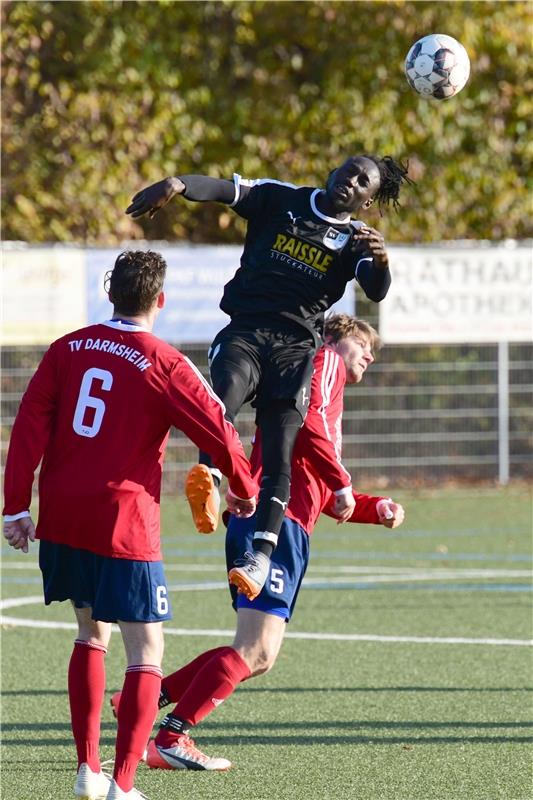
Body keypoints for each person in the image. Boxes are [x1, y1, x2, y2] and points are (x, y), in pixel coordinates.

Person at [2, 250, 257, 800]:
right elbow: (219, 427)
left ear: (109, 292)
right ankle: (122, 785)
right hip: (124, 522)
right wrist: (244, 489)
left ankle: (87, 772)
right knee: (146, 654)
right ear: (160, 300)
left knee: (90, 635)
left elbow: (28, 425)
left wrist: (16, 506)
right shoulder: (164, 361)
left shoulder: (67, 348)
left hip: (64, 517)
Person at [109, 314, 405, 771]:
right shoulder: (323, 362)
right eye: (362, 342)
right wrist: (343, 481)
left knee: (259, 653)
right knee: (256, 649)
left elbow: (320, 489)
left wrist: (373, 506)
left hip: (282, 520)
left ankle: (150, 697)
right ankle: (171, 735)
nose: (369, 354)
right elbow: (308, 430)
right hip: (275, 520)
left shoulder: (325, 391)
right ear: (334, 337)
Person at [126, 155, 412, 601]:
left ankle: (260, 555)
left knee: (280, 448)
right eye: (348, 171)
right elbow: (224, 190)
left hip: (296, 348)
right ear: (331, 171)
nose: (350, 182)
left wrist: (381, 263)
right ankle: (209, 477)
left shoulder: (356, 241)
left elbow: (375, 289)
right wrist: (179, 184)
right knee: (222, 397)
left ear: (368, 200)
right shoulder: (283, 199)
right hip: (246, 328)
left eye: (363, 183)